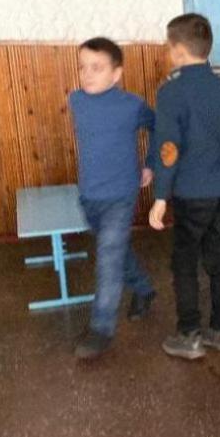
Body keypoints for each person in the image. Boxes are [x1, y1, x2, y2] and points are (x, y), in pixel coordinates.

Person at [147, 13, 220, 360]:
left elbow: (168, 149)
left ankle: (189, 333)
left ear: (178, 50)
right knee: (218, 257)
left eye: (168, 47)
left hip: (190, 194)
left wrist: (160, 197)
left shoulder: (170, 91)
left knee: (184, 260)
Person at [68, 37, 156, 360]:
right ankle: (144, 289)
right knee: (114, 250)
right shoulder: (76, 99)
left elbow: (158, 127)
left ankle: (101, 329)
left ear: (116, 74)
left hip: (121, 194)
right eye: (83, 67)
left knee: (107, 257)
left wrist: (150, 164)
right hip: (89, 195)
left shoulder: (132, 105)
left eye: (97, 68)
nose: (87, 74)